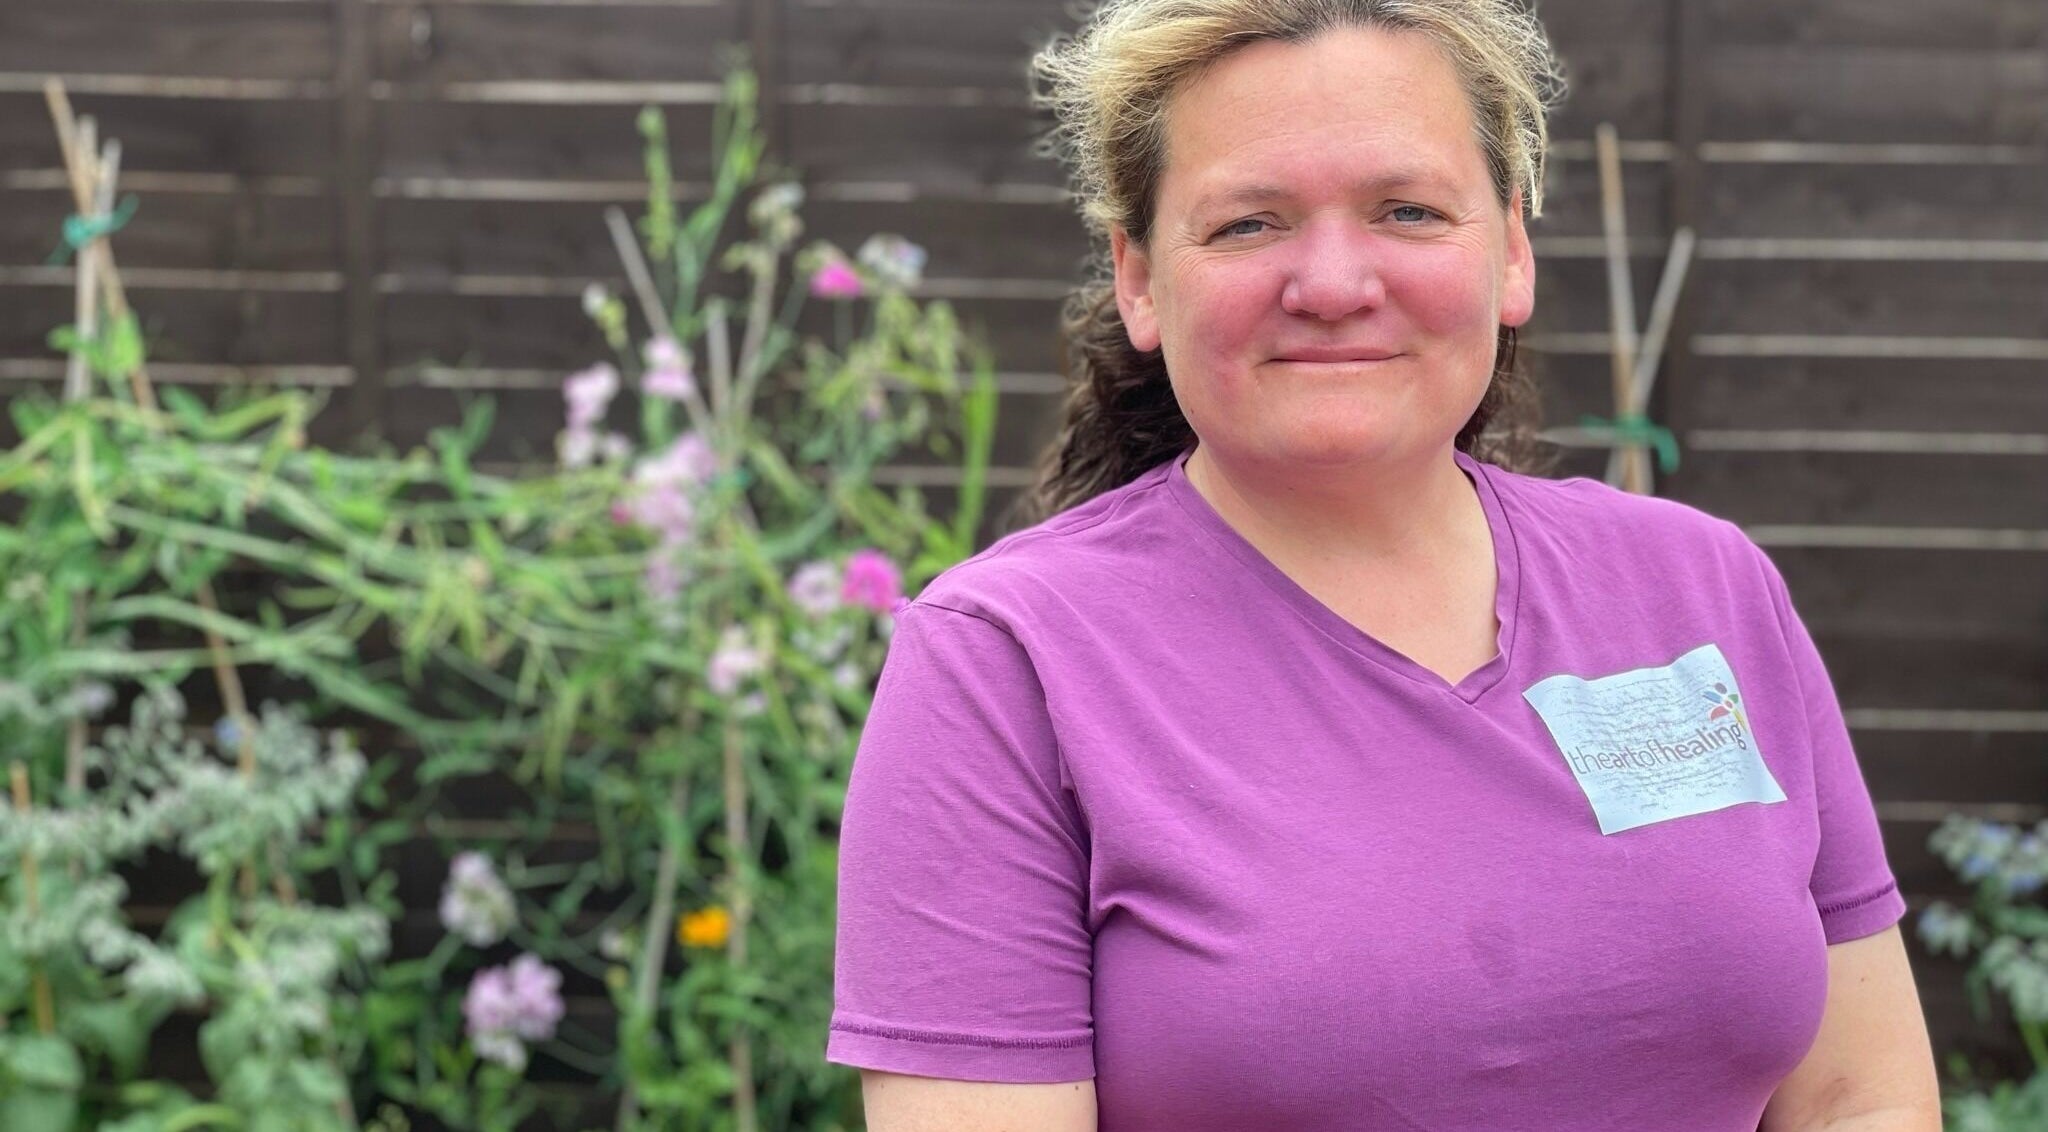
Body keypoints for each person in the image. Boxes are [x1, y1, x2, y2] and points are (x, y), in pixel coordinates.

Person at [825, 1, 1942, 1128]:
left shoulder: (1701, 588)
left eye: (1405, 210)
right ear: (1139, 281)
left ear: (1509, 252)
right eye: (1249, 224)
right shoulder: (1003, 663)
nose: (1330, 283)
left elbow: (1862, 1100)